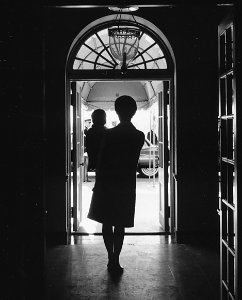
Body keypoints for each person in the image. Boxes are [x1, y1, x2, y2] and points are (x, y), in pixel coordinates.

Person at [87, 95, 145, 274]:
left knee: (107, 221)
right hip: (126, 183)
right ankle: (116, 259)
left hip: (107, 182)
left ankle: (110, 258)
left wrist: (98, 183)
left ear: (117, 112)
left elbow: (102, 161)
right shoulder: (139, 136)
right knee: (120, 222)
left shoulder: (109, 134)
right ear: (134, 112)